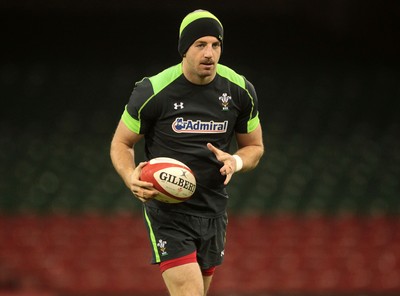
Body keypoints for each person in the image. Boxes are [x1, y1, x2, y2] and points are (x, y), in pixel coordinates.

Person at [110, 9, 264, 296]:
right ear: (184, 49)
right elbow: (121, 143)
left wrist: (237, 161)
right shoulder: (153, 90)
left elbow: (255, 146)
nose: (209, 53)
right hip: (169, 213)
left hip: (214, 210)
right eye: (200, 45)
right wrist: (129, 175)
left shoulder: (241, 90)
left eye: (215, 45)